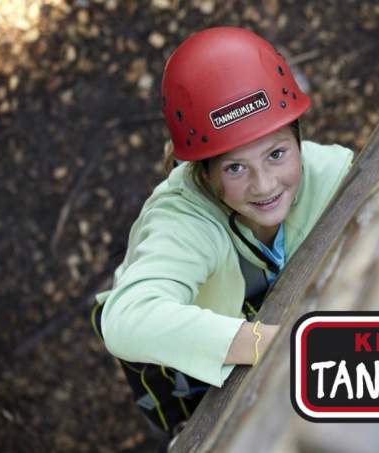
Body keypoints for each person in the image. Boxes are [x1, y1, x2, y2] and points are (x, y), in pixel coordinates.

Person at [90, 27, 354, 440]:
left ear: (299, 138)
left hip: (268, 312)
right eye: (235, 168)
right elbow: (127, 319)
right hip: (189, 351)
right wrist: (273, 344)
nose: (264, 185)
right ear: (205, 173)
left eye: (277, 153)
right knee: (193, 418)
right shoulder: (184, 222)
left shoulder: (333, 173)